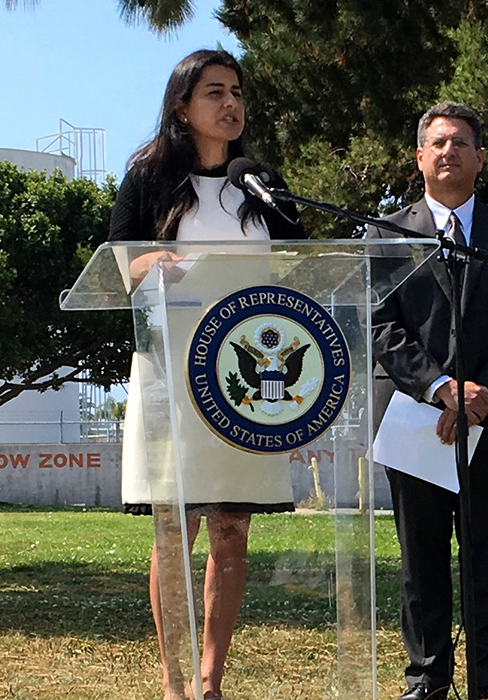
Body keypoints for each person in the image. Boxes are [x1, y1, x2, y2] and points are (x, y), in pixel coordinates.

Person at [109, 49, 304, 700]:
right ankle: (173, 685)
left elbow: (304, 270)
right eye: (214, 92)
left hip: (247, 378)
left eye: (238, 92)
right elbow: (116, 268)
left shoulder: (260, 183)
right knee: (177, 530)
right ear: (181, 106)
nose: (231, 104)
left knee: (231, 530)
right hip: (170, 371)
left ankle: (210, 681)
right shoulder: (148, 178)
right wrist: (151, 263)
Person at [369, 102, 488, 700]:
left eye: (461, 143)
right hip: (416, 420)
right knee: (421, 561)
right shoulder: (387, 233)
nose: (449, 152)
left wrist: (479, 394)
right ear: (419, 157)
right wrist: (442, 388)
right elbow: (380, 324)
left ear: (480, 157)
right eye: (437, 143)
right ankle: (426, 678)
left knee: (487, 556)